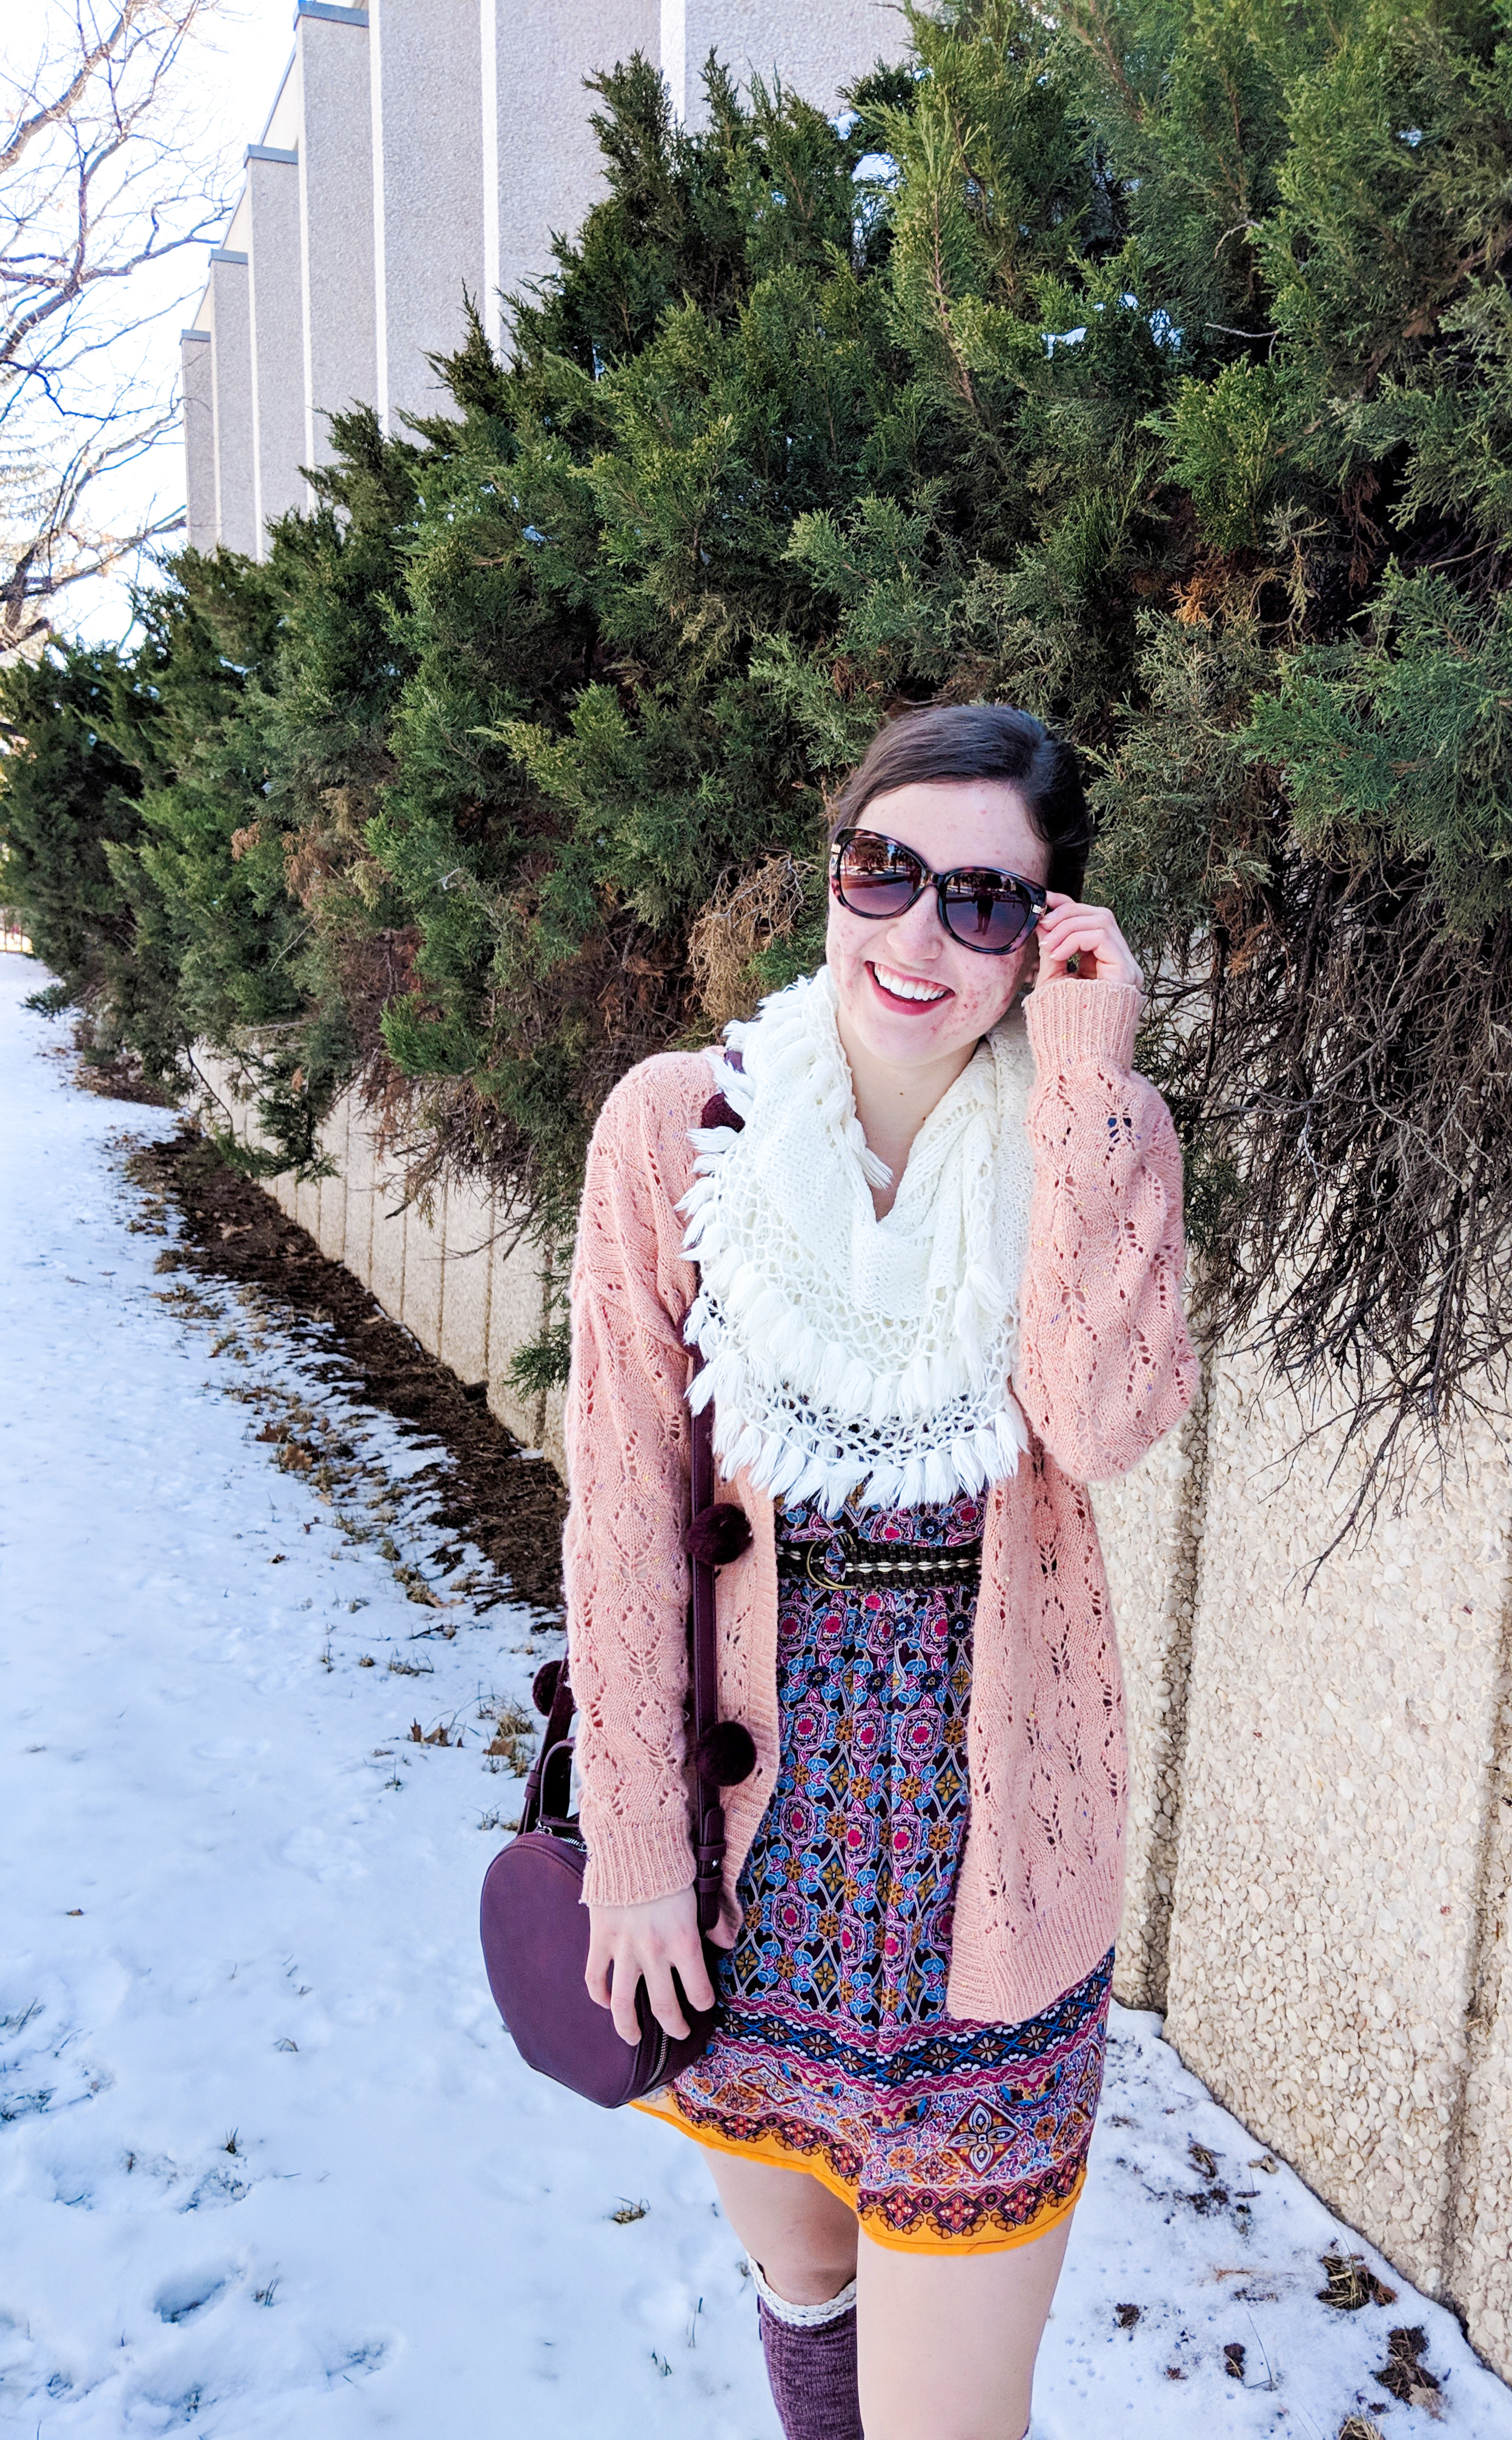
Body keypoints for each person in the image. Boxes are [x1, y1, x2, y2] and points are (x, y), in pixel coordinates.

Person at [562, 702, 1198, 2440]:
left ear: (1047, 938)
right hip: (749, 1868)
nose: (921, 935)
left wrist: (1085, 1087)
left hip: (982, 1887)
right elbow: (623, 1512)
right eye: (887, 872)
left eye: (988, 903)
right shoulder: (675, 1131)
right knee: (805, 2293)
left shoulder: (1096, 1142)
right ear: (832, 874)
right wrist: (634, 1847)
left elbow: (1109, 1417)